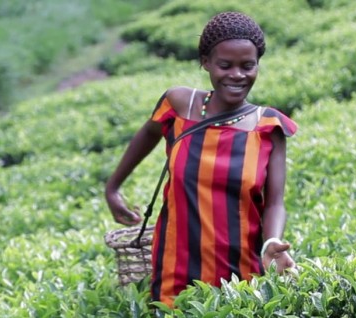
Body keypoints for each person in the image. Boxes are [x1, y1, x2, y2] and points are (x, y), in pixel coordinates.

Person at [104, 11, 298, 307]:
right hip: (174, 274)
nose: (237, 75)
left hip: (242, 278)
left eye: (248, 66)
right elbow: (148, 133)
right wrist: (113, 187)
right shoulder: (179, 105)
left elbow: (274, 202)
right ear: (205, 62)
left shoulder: (269, 126)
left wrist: (272, 242)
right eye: (225, 65)